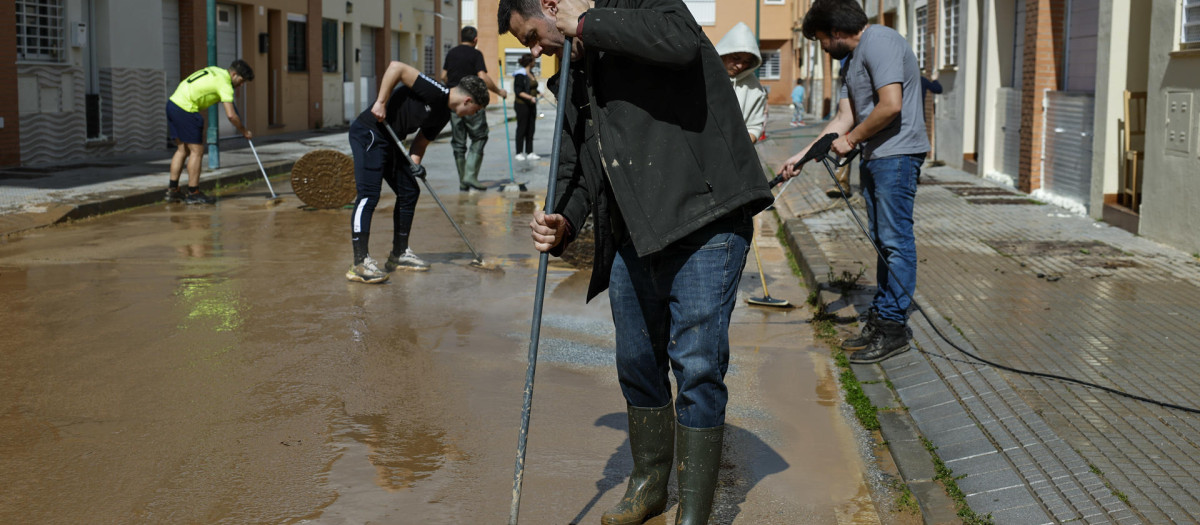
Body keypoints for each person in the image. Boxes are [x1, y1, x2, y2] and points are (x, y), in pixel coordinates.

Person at [498, 0, 774, 523]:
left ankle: (692, 510)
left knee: (696, 367)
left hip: (706, 218)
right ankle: (649, 485)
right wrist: (563, 221)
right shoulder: (574, 75)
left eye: (530, 35)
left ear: (551, 6)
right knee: (637, 365)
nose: (534, 51)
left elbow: (680, 42)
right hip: (635, 236)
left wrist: (587, 24)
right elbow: (579, 169)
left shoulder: (634, 7)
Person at [779, 0, 929, 364]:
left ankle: (893, 328)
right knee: (883, 241)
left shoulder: (880, 41)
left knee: (895, 241)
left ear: (835, 32)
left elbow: (891, 104)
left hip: (897, 154)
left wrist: (853, 140)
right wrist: (802, 156)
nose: (822, 48)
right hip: (878, 157)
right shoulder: (853, 60)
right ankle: (883, 319)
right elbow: (844, 116)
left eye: (820, 40)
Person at [345, 61, 489, 283]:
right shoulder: (434, 90)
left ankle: (399, 254)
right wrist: (381, 102)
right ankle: (359, 263)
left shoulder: (443, 115)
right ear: (468, 100)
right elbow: (396, 68)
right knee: (369, 194)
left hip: (391, 141)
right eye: (475, 110)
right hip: (370, 132)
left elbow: (420, 144)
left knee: (409, 190)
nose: (472, 115)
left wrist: (415, 165)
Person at [165, 59, 254, 204]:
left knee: (182, 150)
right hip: (186, 109)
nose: (241, 84)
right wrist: (244, 131)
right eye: (241, 80)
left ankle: (173, 191)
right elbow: (231, 115)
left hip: (173, 104)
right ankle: (193, 192)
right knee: (197, 151)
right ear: (234, 75)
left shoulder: (216, 70)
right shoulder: (225, 84)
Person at [441, 26, 508, 191]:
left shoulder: (451, 53)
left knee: (458, 143)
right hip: (471, 103)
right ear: (475, 39)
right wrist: (499, 92)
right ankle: (470, 175)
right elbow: (482, 77)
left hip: (455, 104)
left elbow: (443, 76)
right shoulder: (476, 54)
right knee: (479, 136)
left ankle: (463, 181)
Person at [715, 22, 766, 144]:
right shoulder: (701, 75)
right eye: (736, 58)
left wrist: (738, 148)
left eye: (747, 61)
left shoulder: (755, 89)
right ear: (724, 52)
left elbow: (754, 128)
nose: (740, 66)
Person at [512, 54, 540, 161]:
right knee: (522, 128)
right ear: (529, 62)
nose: (535, 62)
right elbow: (518, 91)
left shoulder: (531, 73)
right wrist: (530, 98)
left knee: (531, 128)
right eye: (533, 60)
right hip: (522, 105)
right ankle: (519, 152)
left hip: (531, 105)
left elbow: (531, 87)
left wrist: (538, 93)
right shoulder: (520, 74)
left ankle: (529, 152)